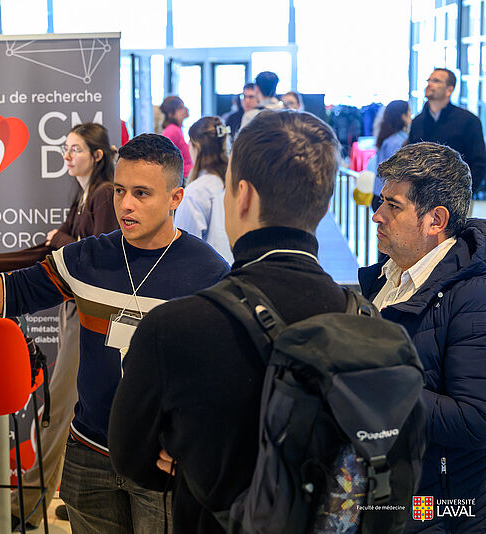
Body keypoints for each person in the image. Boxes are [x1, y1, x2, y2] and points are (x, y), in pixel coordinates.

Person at [0, 134, 229, 533]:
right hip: (89, 455)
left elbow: (223, 380)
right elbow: (5, 295)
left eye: (142, 193)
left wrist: (197, 444)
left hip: (161, 462)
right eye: (120, 191)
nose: (126, 204)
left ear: (175, 197)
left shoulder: (210, 273)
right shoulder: (88, 257)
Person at [108, 111, 355, 533]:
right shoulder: (362, 320)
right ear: (324, 201)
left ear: (242, 196)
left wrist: (190, 462)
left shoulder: (173, 327)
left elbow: (130, 456)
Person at [0, 122, 119, 531]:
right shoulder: (85, 195)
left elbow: (99, 254)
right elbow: (48, 254)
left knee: (60, 407)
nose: (67, 156)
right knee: (73, 408)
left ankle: (28, 506)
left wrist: (62, 238)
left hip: (91, 317)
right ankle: (81, 495)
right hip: (79, 313)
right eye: (65, 148)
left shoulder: (103, 195)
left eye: (75, 149)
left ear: (97, 155)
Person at [359, 142, 486, 533]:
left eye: (393, 206)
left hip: (439, 512)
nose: (377, 215)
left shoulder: (474, 295)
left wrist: (375, 383)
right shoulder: (388, 273)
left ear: (436, 220)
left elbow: (475, 419)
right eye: (381, 201)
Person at [408, 68, 486, 196]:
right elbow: (411, 158)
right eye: (428, 80)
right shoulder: (418, 121)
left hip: (456, 195)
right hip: (421, 196)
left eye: (436, 81)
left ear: (449, 90)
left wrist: (465, 194)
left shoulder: (468, 120)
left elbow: (479, 163)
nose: (429, 84)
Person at [173, 116, 233, 260]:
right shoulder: (235, 184)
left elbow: (184, 247)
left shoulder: (196, 192)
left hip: (208, 269)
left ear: (197, 147)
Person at [368, 99, 409, 211]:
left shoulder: (388, 137)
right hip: (386, 197)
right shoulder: (397, 141)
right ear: (403, 116)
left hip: (379, 194)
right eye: (409, 112)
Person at [160, 95, 192, 180]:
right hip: (182, 178)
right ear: (171, 114)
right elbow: (166, 159)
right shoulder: (172, 130)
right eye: (180, 108)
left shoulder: (177, 129)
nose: (185, 109)